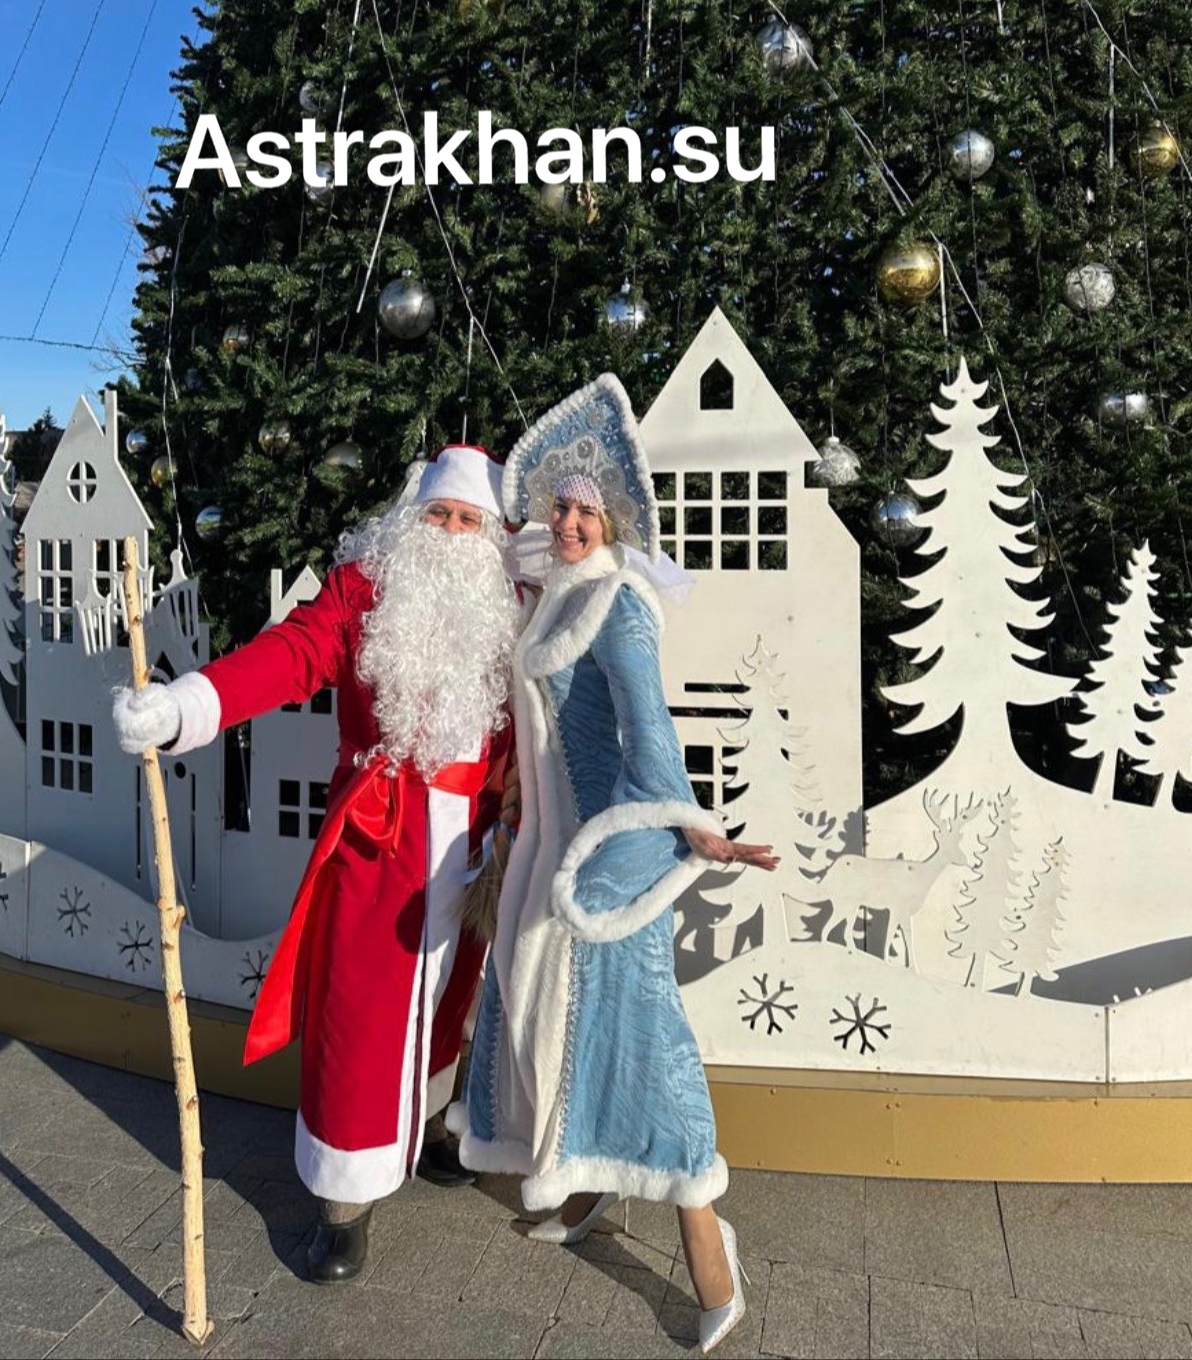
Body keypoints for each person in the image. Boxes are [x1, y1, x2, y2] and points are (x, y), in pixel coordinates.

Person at [112, 445, 522, 1282]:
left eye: (467, 519)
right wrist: (184, 705)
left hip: (474, 845)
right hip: (380, 842)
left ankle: (429, 1124)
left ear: (492, 534)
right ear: (411, 519)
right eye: (438, 513)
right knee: (359, 1020)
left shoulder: (512, 606)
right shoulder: (362, 590)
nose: (450, 532)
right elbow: (288, 654)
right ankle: (342, 1203)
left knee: (451, 998)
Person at [448, 377, 779, 1356]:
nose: (570, 522)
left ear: (615, 522)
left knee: (641, 1040)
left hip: (605, 859)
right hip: (543, 851)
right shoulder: (550, 596)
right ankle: (586, 1188)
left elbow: (651, 733)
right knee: (537, 1020)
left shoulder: (619, 603)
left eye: (587, 511)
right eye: (561, 506)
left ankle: (709, 1249)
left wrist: (669, 836)